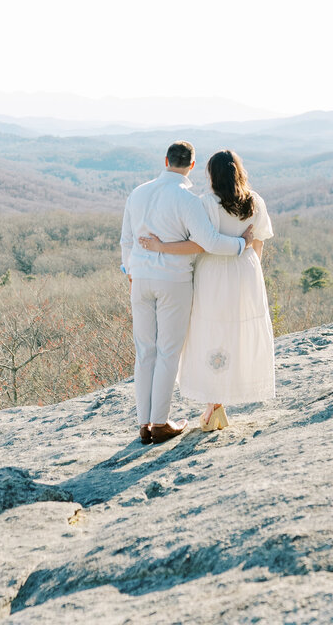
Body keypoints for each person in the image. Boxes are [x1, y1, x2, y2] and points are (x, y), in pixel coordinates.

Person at [120, 141, 255, 445]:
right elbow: (210, 242)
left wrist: (130, 270)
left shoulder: (137, 193)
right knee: (168, 353)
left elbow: (126, 240)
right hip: (173, 281)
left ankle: (143, 424)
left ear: (165, 160)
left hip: (140, 278)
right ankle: (159, 423)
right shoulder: (188, 200)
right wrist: (241, 244)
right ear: (192, 166)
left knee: (145, 352)